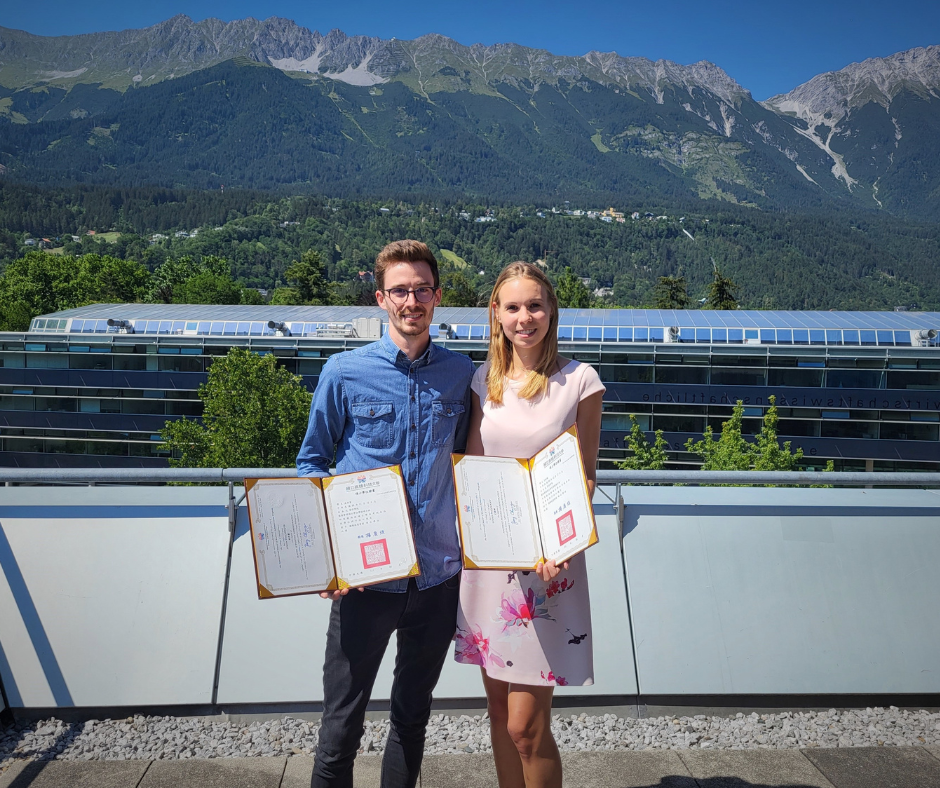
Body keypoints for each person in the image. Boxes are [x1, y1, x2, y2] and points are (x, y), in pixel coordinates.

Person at [296, 240, 475, 788]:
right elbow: (312, 464)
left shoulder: (460, 373)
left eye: (422, 289)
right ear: (381, 298)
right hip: (365, 581)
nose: (412, 301)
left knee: (412, 720)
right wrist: (326, 556)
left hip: (438, 580)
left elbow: (467, 467)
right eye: (400, 290)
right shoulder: (344, 372)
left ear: (437, 297)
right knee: (340, 730)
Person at [453, 262, 604, 788]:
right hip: (492, 564)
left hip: (547, 567)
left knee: (526, 728)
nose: (525, 317)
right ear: (495, 314)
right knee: (498, 713)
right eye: (512, 307)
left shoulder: (580, 381)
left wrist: (556, 542)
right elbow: (474, 468)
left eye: (535, 305)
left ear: (552, 311)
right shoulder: (483, 381)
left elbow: (584, 477)